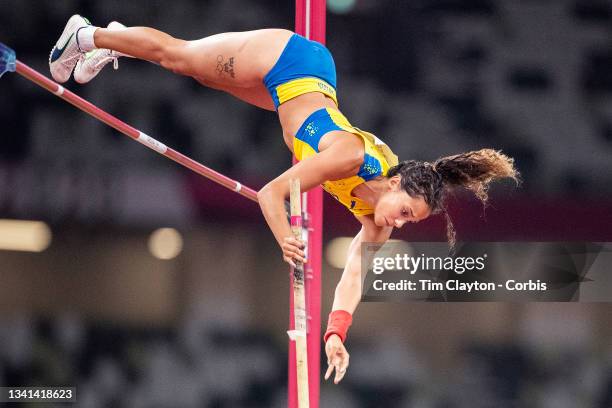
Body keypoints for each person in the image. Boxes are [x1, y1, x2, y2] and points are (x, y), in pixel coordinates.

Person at [49, 15, 519, 384]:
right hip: (291, 63)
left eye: (409, 222)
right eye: (405, 213)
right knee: (181, 58)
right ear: (395, 184)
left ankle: (117, 38)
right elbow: (272, 194)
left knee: (207, 78)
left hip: (297, 94)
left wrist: (337, 332)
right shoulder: (349, 157)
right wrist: (286, 238)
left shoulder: (378, 215)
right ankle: (87, 35)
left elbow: (356, 273)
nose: (400, 224)